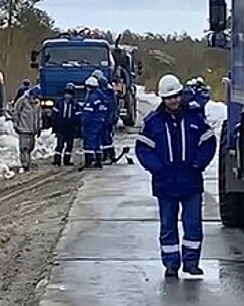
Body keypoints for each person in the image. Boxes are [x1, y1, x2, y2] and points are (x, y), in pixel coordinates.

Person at [135, 74, 217, 278]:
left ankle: (191, 263)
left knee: (193, 224)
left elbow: (208, 142)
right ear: (163, 99)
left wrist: (198, 163)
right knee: (168, 225)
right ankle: (171, 264)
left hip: (190, 183)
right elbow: (143, 149)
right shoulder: (153, 123)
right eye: (169, 97)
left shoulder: (194, 118)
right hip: (166, 184)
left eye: (177, 96)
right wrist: (158, 168)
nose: (174, 100)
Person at [11, 85, 42, 172]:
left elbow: (39, 117)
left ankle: (27, 162)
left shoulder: (37, 103)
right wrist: (16, 124)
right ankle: (25, 165)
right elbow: (15, 112)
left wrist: (39, 128)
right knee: (24, 148)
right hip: (23, 129)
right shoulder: (22, 101)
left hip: (33, 130)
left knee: (30, 148)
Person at [51, 83, 81, 166]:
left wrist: (77, 127)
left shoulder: (75, 104)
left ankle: (67, 160)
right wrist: (54, 125)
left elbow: (78, 117)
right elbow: (54, 115)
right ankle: (57, 160)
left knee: (69, 144)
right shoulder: (59, 103)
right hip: (61, 125)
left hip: (71, 126)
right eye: (67, 94)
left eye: (70, 94)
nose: (68, 96)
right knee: (60, 144)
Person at [80, 76, 107, 169]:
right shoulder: (102, 97)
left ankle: (89, 161)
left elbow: (87, 113)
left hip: (91, 123)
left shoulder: (92, 98)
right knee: (97, 142)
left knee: (89, 142)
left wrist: (83, 122)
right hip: (100, 122)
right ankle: (98, 161)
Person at [92, 70, 117, 163]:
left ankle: (107, 155)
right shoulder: (108, 92)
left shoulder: (105, 93)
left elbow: (110, 107)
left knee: (105, 138)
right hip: (105, 118)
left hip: (106, 119)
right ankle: (108, 154)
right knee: (105, 137)